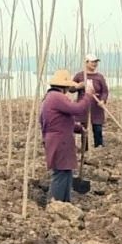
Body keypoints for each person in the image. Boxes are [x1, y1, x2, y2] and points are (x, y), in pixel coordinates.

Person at [40, 69, 94, 203]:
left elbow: (60, 121)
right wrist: (87, 96)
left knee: (66, 172)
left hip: (58, 140)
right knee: (60, 174)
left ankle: (64, 203)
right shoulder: (56, 97)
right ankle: (55, 204)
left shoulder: (50, 98)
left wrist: (78, 128)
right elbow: (77, 109)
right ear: (64, 86)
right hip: (59, 141)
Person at [72, 54, 110, 150]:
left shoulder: (99, 77)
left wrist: (102, 100)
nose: (95, 64)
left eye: (96, 62)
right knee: (83, 128)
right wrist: (78, 86)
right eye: (92, 62)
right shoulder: (79, 76)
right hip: (83, 106)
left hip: (96, 107)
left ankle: (99, 146)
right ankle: (85, 149)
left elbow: (105, 91)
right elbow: (70, 89)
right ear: (86, 62)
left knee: (97, 128)